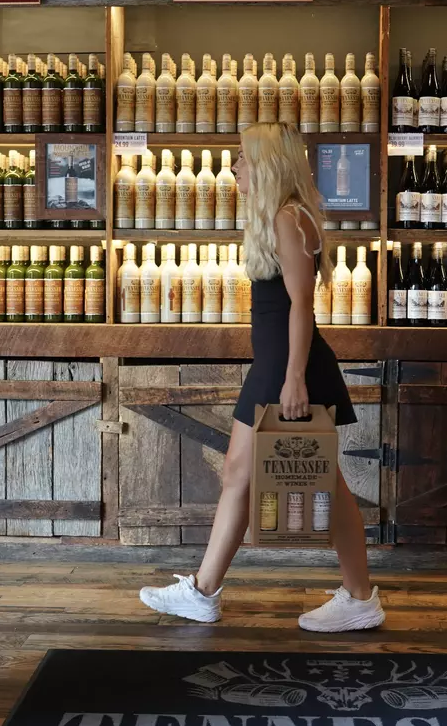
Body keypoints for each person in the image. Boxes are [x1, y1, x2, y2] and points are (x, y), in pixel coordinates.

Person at [139, 122, 384, 633]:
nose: (234, 167)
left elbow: (301, 306)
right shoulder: (282, 217)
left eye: (243, 158)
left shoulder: (288, 219)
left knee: (273, 478)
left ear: (268, 163)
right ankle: (351, 595)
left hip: (289, 367)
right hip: (278, 363)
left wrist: (293, 378)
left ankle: (212, 592)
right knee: (261, 477)